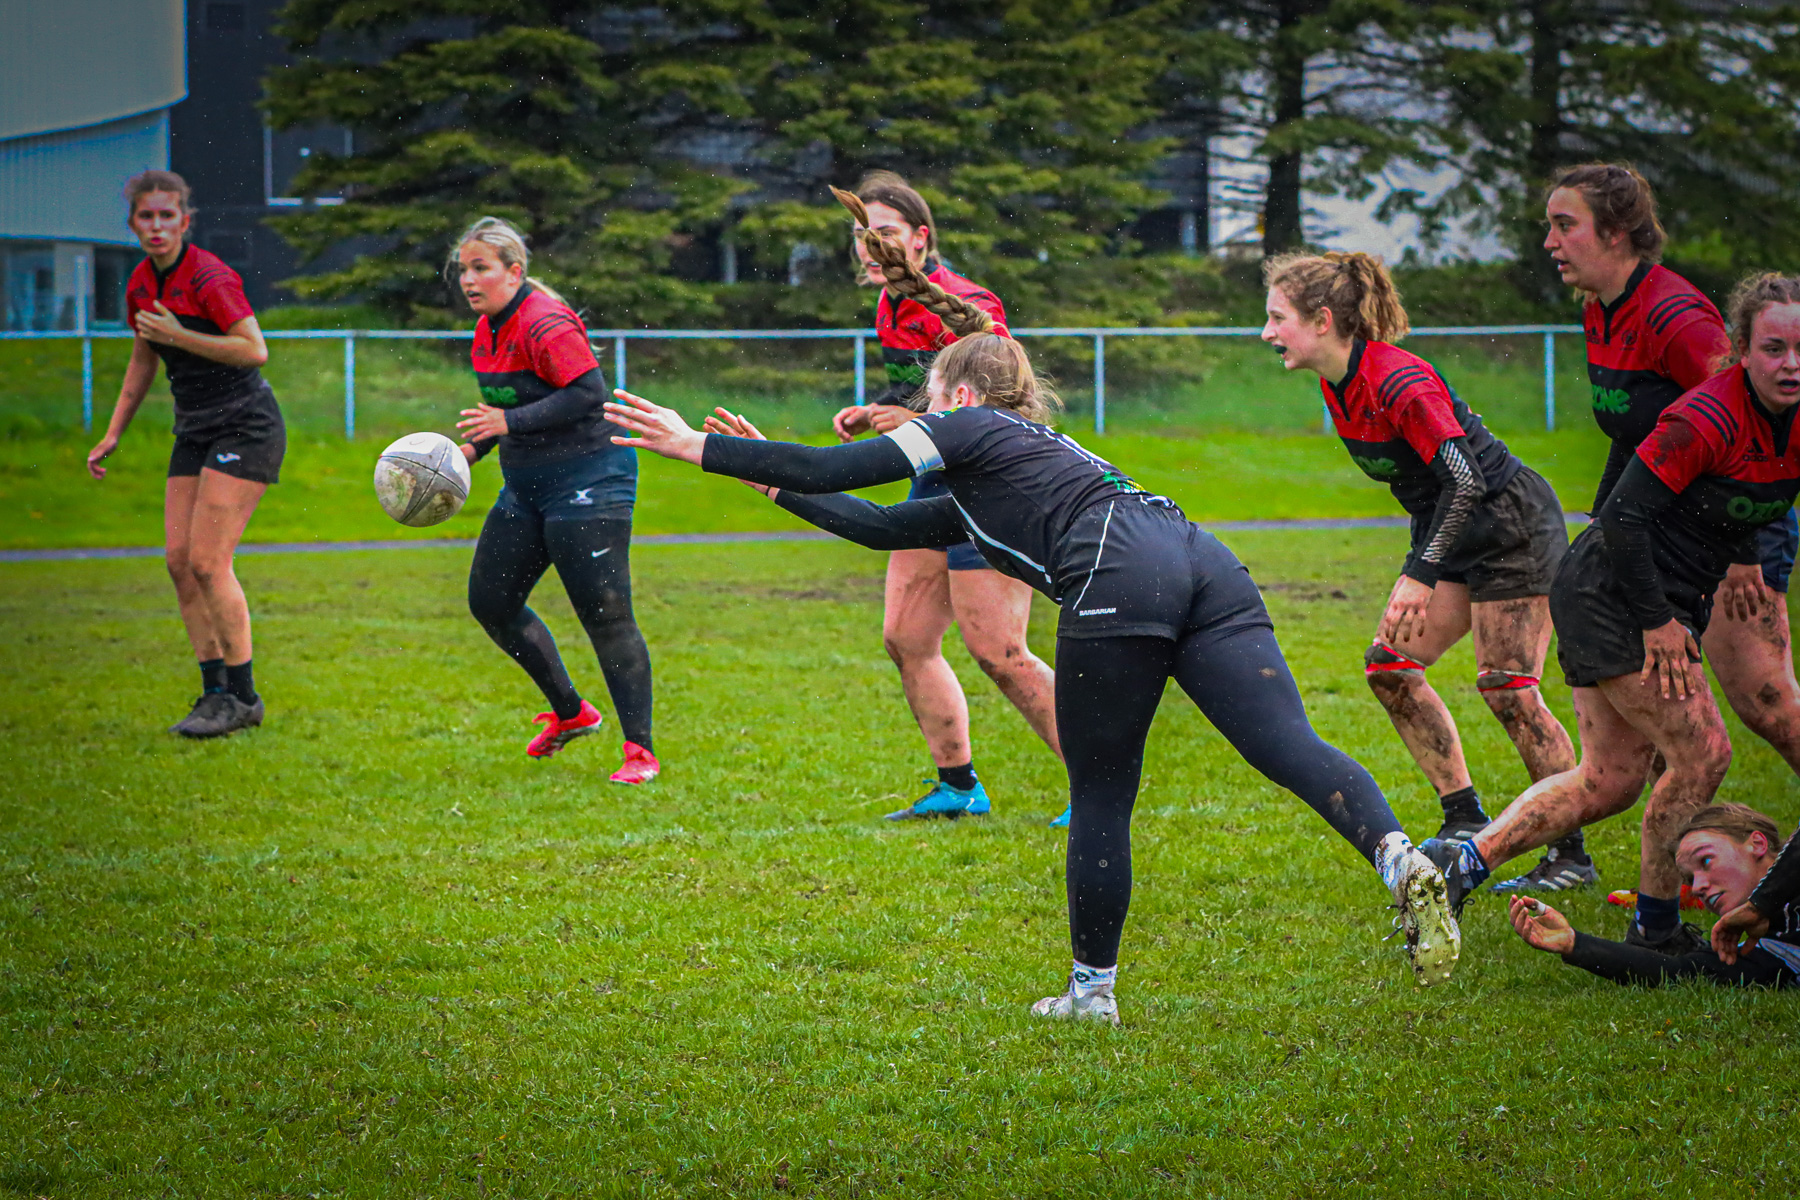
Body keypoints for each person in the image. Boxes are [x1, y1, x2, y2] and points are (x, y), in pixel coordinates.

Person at [603, 329, 1462, 1022]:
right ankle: (1396, 857)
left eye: (927, 398)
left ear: (962, 398)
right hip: (1204, 562)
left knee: (1100, 794)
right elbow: (871, 524)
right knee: (1285, 743)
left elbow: (836, 465)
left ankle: (1091, 994)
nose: (917, 413)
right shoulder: (1006, 467)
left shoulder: (971, 427)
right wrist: (770, 483)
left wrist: (694, 446)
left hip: (1117, 574)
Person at [1427, 273, 1800, 955]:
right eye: (1774, 348)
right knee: (1704, 752)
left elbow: (1749, 483)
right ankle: (1656, 929)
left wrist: (1742, 556)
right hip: (1614, 589)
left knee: (1609, 781)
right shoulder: (1704, 415)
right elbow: (1623, 517)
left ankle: (1459, 866)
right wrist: (1659, 621)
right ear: (1742, 348)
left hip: (1646, 593)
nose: (1792, 364)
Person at [1501, 163, 1800, 894]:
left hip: (1729, 542)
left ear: (1618, 232)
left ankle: (1702, 889)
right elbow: (1636, 440)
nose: (1550, 242)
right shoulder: (1602, 306)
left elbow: (1744, 425)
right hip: (1655, 541)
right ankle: (1693, 881)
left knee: (1766, 705)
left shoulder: (1677, 318)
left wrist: (1743, 556)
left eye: (1564, 224)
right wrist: (1606, 535)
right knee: (1676, 736)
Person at [1261, 253, 1575, 851]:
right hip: (1456, 528)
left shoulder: (1398, 380)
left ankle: (1570, 849)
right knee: (1392, 671)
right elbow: (1426, 489)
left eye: (1278, 318)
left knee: (1509, 687)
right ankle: (1464, 817)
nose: (1267, 332)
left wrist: (1420, 575)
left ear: (1322, 319)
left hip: (1512, 526)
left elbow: (1464, 479)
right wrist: (1421, 565)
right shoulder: (1337, 383)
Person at [827, 174, 1064, 823]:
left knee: (1001, 654)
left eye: (886, 235)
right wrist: (883, 410)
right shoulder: (890, 306)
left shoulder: (970, 303)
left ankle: (1096, 787)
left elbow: (992, 409)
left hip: (989, 485)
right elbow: (927, 398)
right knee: (906, 637)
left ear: (922, 238)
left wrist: (906, 423)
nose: (870, 247)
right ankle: (959, 786)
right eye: (861, 235)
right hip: (935, 479)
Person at [449, 217, 659, 783]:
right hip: (527, 484)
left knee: (605, 613)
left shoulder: (544, 322)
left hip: (590, 477)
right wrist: (467, 453)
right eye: (464, 270)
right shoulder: (487, 327)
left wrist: (507, 421)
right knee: (491, 602)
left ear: (514, 272)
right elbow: (508, 412)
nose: (469, 280)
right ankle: (572, 713)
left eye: (481, 268)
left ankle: (640, 751)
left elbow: (588, 393)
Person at [85, 170, 282, 738]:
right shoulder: (141, 285)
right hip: (195, 430)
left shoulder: (209, 277)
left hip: (245, 427)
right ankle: (213, 694)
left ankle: (244, 699)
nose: (156, 226)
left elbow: (254, 349)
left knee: (207, 562)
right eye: (146, 217)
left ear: (185, 222)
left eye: (166, 216)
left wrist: (179, 335)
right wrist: (114, 430)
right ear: (132, 225)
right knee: (178, 561)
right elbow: (144, 359)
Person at [1508, 804, 1797, 987]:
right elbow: (1678, 972)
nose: (1697, 887)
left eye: (1706, 861)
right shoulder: (1764, 954)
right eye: (1690, 879)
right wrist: (1574, 943)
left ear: (1757, 844)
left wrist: (1760, 905)